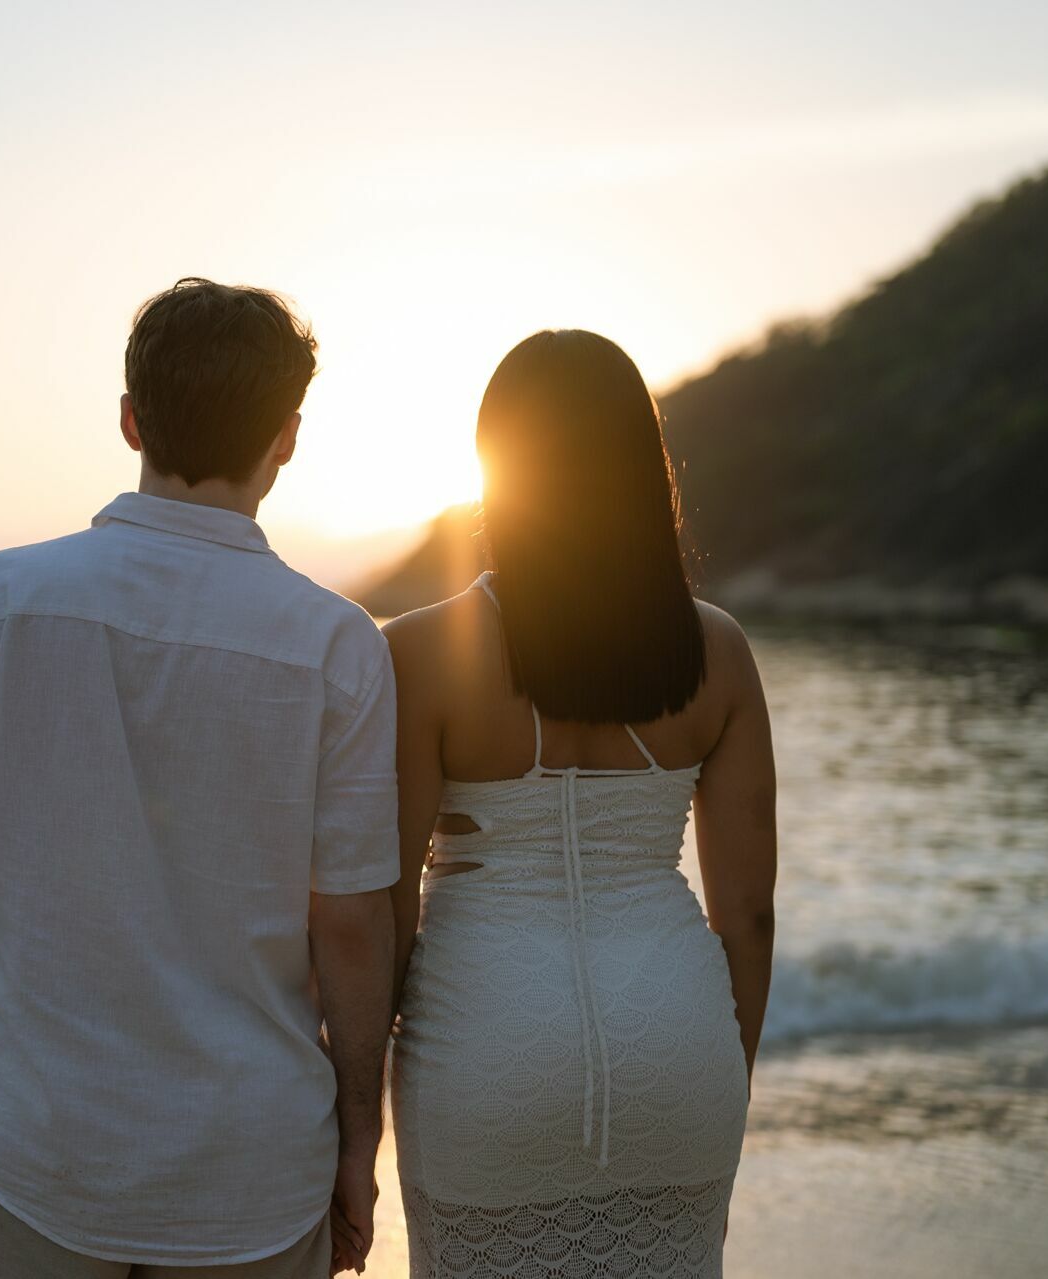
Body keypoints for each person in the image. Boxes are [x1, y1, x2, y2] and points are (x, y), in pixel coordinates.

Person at [0, 278, 400, 1277]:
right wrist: (357, 1148)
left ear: (130, 420)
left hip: (41, 1146)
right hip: (251, 1169)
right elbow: (350, 922)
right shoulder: (336, 648)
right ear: (288, 437)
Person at [385, 330, 777, 1277]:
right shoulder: (717, 653)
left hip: (485, 1051)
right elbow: (751, 918)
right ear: (642, 469)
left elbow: (381, 914)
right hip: (682, 1046)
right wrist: (719, 1076)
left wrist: (354, 1121)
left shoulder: (419, 653)